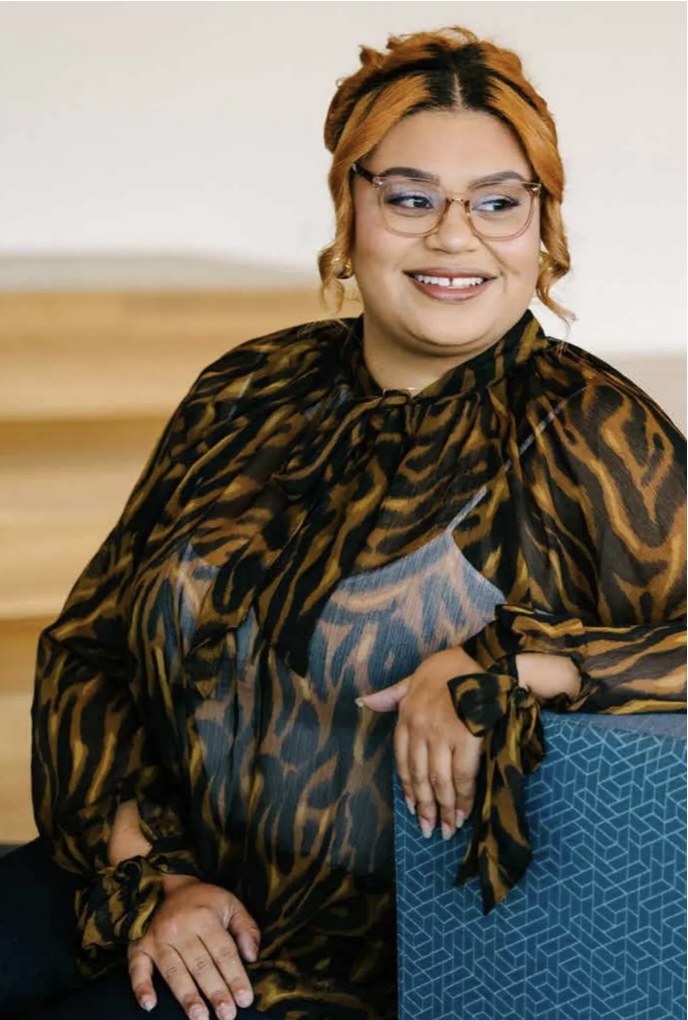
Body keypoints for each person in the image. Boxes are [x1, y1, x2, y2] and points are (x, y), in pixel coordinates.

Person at [1, 23, 685, 1020]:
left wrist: (505, 662)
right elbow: (92, 650)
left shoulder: (593, 431)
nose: (454, 236)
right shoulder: (247, 386)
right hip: (144, 877)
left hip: (353, 962)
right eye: (410, 197)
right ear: (349, 205)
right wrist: (154, 879)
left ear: (542, 224)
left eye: (498, 202)